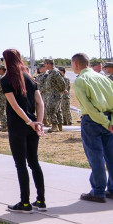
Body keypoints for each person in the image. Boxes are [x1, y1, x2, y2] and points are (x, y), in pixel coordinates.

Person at [1, 48, 45, 214]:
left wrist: (29, 122)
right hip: (33, 126)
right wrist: (38, 122)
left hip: (19, 127)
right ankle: (41, 200)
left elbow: (14, 105)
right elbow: (40, 103)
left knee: (21, 165)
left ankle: (25, 203)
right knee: (34, 162)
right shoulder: (29, 77)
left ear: (7, 60)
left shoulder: (6, 79)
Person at [71, 52, 113, 203]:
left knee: (95, 156)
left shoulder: (81, 80)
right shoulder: (104, 78)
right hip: (108, 118)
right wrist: (110, 122)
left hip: (92, 121)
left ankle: (98, 191)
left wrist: (104, 122)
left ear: (75, 64)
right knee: (111, 155)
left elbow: (88, 107)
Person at [43, 59, 65, 133]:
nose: (44, 65)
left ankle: (54, 126)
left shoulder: (55, 72)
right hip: (52, 94)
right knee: (57, 110)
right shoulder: (51, 72)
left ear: (49, 64)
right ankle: (59, 126)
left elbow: (62, 83)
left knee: (51, 109)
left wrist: (60, 91)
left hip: (55, 94)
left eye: (45, 64)